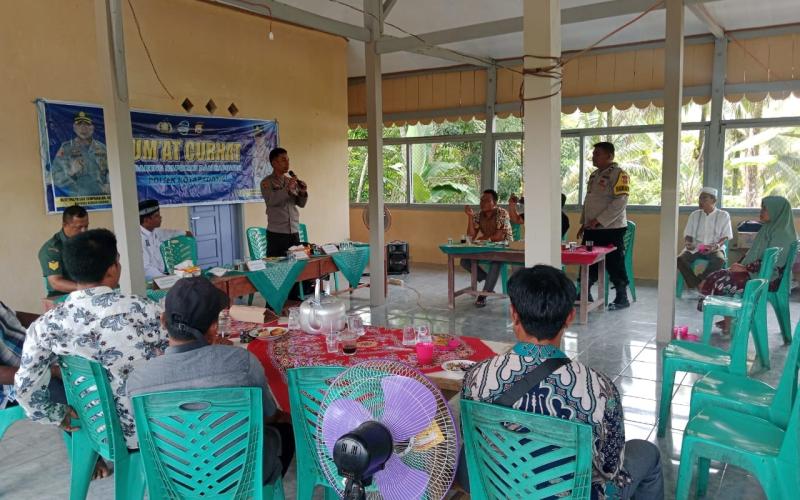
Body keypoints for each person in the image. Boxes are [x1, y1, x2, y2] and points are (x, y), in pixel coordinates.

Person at [460, 265, 663, 500]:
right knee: (647, 452)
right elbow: (610, 468)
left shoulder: (477, 376)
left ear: (513, 313)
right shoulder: (599, 388)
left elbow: (471, 442)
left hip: (498, 490)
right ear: (569, 317)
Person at [126, 277, 294, 485]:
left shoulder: (138, 380)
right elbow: (268, 415)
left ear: (162, 320)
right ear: (214, 328)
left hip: (172, 479)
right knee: (285, 430)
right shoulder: (242, 363)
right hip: (240, 477)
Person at [15, 229, 167, 450]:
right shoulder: (145, 310)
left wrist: (54, 414)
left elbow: (25, 388)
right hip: (152, 430)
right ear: (113, 269)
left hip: (94, 428)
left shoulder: (46, 325)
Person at [699, 196, 798, 328]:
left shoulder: (783, 234)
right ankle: (730, 317)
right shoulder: (768, 228)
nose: (761, 212)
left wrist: (746, 269)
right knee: (716, 275)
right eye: (761, 208)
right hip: (759, 271)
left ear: (776, 210)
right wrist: (740, 265)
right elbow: (753, 252)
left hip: (770, 278)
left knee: (726, 281)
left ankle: (731, 319)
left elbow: (773, 261)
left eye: (765, 209)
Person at [578, 142, 631, 310]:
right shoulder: (594, 175)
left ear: (609, 156)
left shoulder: (619, 174)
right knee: (587, 259)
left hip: (611, 228)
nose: (593, 157)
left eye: (597, 154)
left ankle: (622, 297)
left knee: (614, 261)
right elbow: (589, 201)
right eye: (593, 153)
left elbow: (620, 201)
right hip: (592, 228)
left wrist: (599, 220)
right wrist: (584, 223)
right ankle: (584, 293)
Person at [461, 189, 513, 308]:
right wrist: (470, 217)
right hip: (486, 247)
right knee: (464, 261)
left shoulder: (502, 213)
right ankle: (487, 280)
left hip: (504, 248)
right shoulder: (478, 215)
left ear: (495, 202)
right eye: (481, 200)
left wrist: (483, 238)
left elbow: (499, 237)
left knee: (496, 261)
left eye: (487, 200)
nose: (482, 203)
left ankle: (483, 295)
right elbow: (470, 236)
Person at [677, 187, 732, 297]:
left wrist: (716, 246)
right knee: (680, 259)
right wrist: (688, 243)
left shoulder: (723, 215)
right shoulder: (694, 215)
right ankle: (699, 285)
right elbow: (688, 234)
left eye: (704, 198)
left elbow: (726, 236)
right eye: (700, 198)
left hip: (714, 248)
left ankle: (702, 281)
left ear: (713, 200)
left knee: (719, 260)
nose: (700, 201)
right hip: (696, 248)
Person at [260, 147, 308, 258]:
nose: (287, 163)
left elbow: (301, 204)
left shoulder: (290, 181)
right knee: (277, 265)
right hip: (277, 234)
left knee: (296, 264)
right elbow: (271, 200)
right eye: (283, 160)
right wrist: (287, 189)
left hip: (294, 231)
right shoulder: (266, 182)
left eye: (288, 160)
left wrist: (303, 192)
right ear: (274, 163)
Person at [51, 111, 109, 197]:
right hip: (78, 200)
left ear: (93, 127)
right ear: (74, 127)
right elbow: (54, 177)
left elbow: (112, 171)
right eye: (79, 124)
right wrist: (71, 171)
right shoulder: (66, 148)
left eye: (87, 124)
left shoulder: (103, 148)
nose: (83, 128)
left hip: (103, 198)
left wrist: (110, 183)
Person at [38, 204, 89, 298]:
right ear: (65, 225)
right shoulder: (52, 249)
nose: (84, 231)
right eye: (78, 227)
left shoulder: (90, 242)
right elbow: (56, 283)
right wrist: (86, 288)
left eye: (86, 226)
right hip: (62, 297)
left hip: (89, 293)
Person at [139, 199, 191, 281]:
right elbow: (146, 269)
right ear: (146, 220)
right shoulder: (138, 239)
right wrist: (167, 279)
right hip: (151, 280)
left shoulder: (154, 231)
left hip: (162, 275)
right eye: (156, 216)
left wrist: (185, 233)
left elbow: (169, 233)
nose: (160, 217)